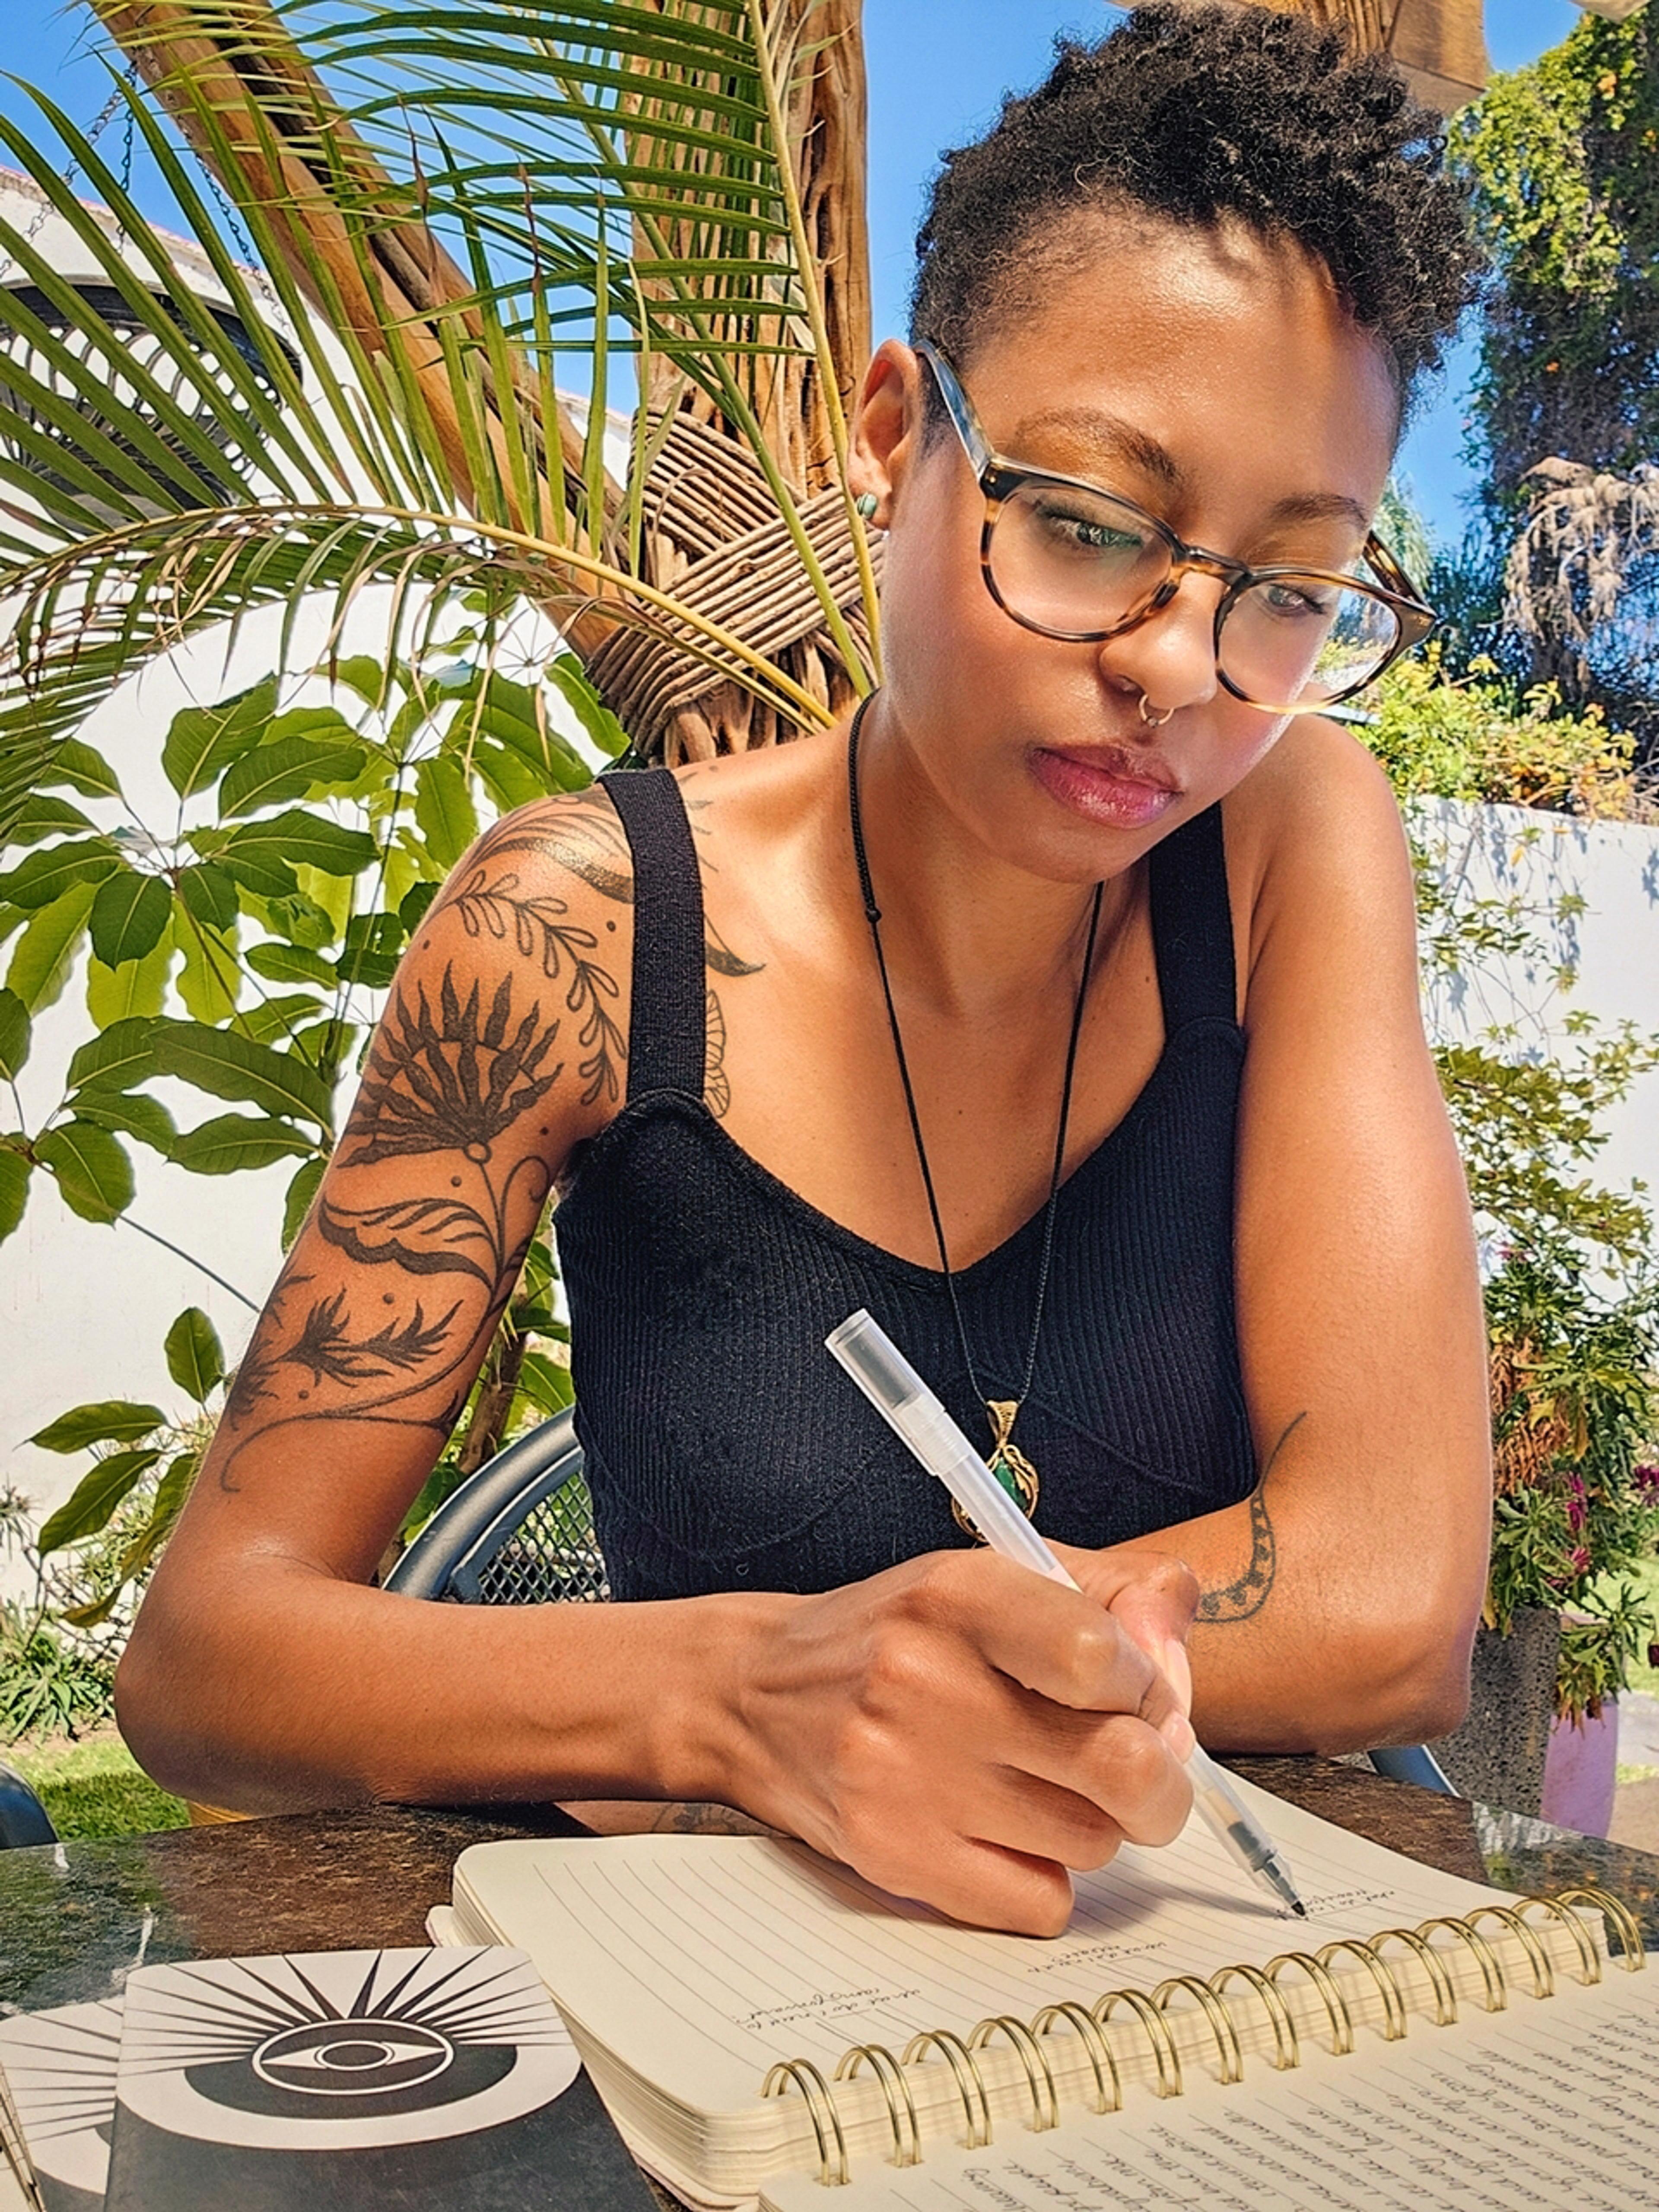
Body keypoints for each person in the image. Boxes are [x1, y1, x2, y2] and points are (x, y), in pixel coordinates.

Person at [118, 1, 1493, 1936]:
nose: (1184, 666)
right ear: (890, 432)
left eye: (1286, 588)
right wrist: (749, 1694)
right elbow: (208, 1663)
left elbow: (1387, 1606)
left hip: (1225, 1979)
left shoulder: (1290, 843)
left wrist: (918, 1674)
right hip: (751, 2033)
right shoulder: (573, 928)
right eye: (1094, 526)